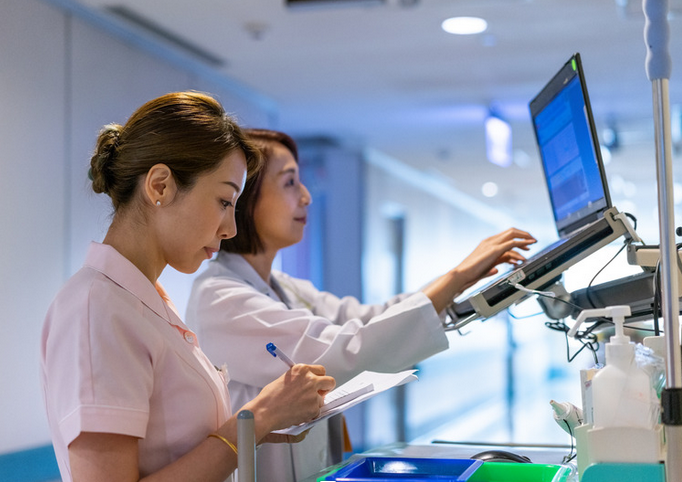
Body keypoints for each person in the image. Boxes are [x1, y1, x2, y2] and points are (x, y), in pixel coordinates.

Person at [185, 128, 537, 481]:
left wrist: (459, 281)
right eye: (290, 182)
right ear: (244, 198)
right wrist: (457, 276)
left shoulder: (284, 288)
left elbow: (369, 319)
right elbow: (349, 350)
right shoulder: (221, 298)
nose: (306, 197)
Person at [40, 95, 336, 482]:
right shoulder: (98, 309)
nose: (230, 228)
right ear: (160, 186)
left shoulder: (146, 302)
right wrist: (257, 418)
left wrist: (270, 416)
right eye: (224, 201)